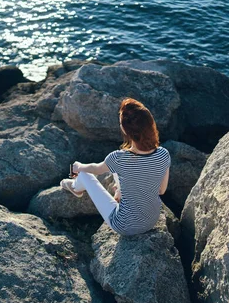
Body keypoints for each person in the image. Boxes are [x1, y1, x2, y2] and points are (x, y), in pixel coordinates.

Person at [60, 98, 171, 236]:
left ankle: (75, 187)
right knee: (119, 172)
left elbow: (95, 169)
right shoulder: (163, 154)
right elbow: (161, 190)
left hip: (125, 225)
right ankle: (119, 192)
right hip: (151, 220)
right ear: (150, 124)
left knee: (85, 174)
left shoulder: (118, 158)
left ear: (125, 129)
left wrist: (79, 166)